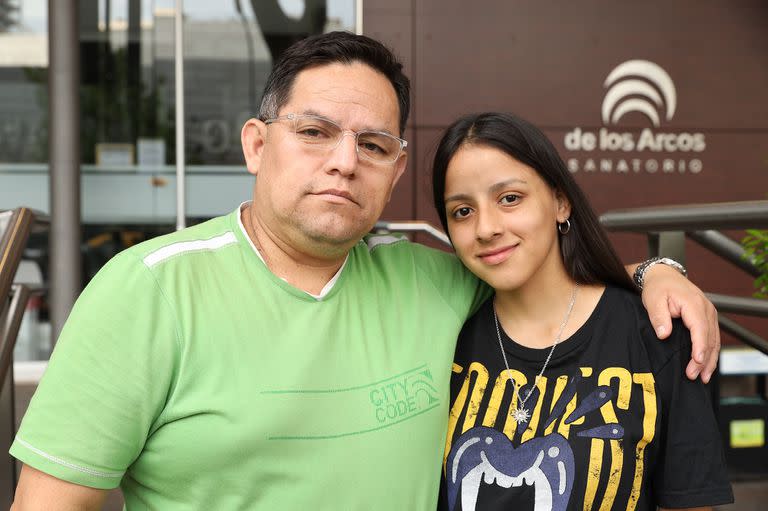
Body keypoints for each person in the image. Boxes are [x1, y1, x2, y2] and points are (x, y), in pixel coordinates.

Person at [11, 32, 719, 510]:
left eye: (373, 143)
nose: (344, 160)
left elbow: (546, 275)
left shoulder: (429, 280)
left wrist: (658, 270)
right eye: (315, 132)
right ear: (257, 145)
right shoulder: (146, 291)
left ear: (396, 169)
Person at [432, 112, 733, 511]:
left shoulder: (655, 335)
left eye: (509, 198)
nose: (486, 228)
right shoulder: (443, 332)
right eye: (462, 211)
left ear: (560, 202)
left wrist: (656, 272)